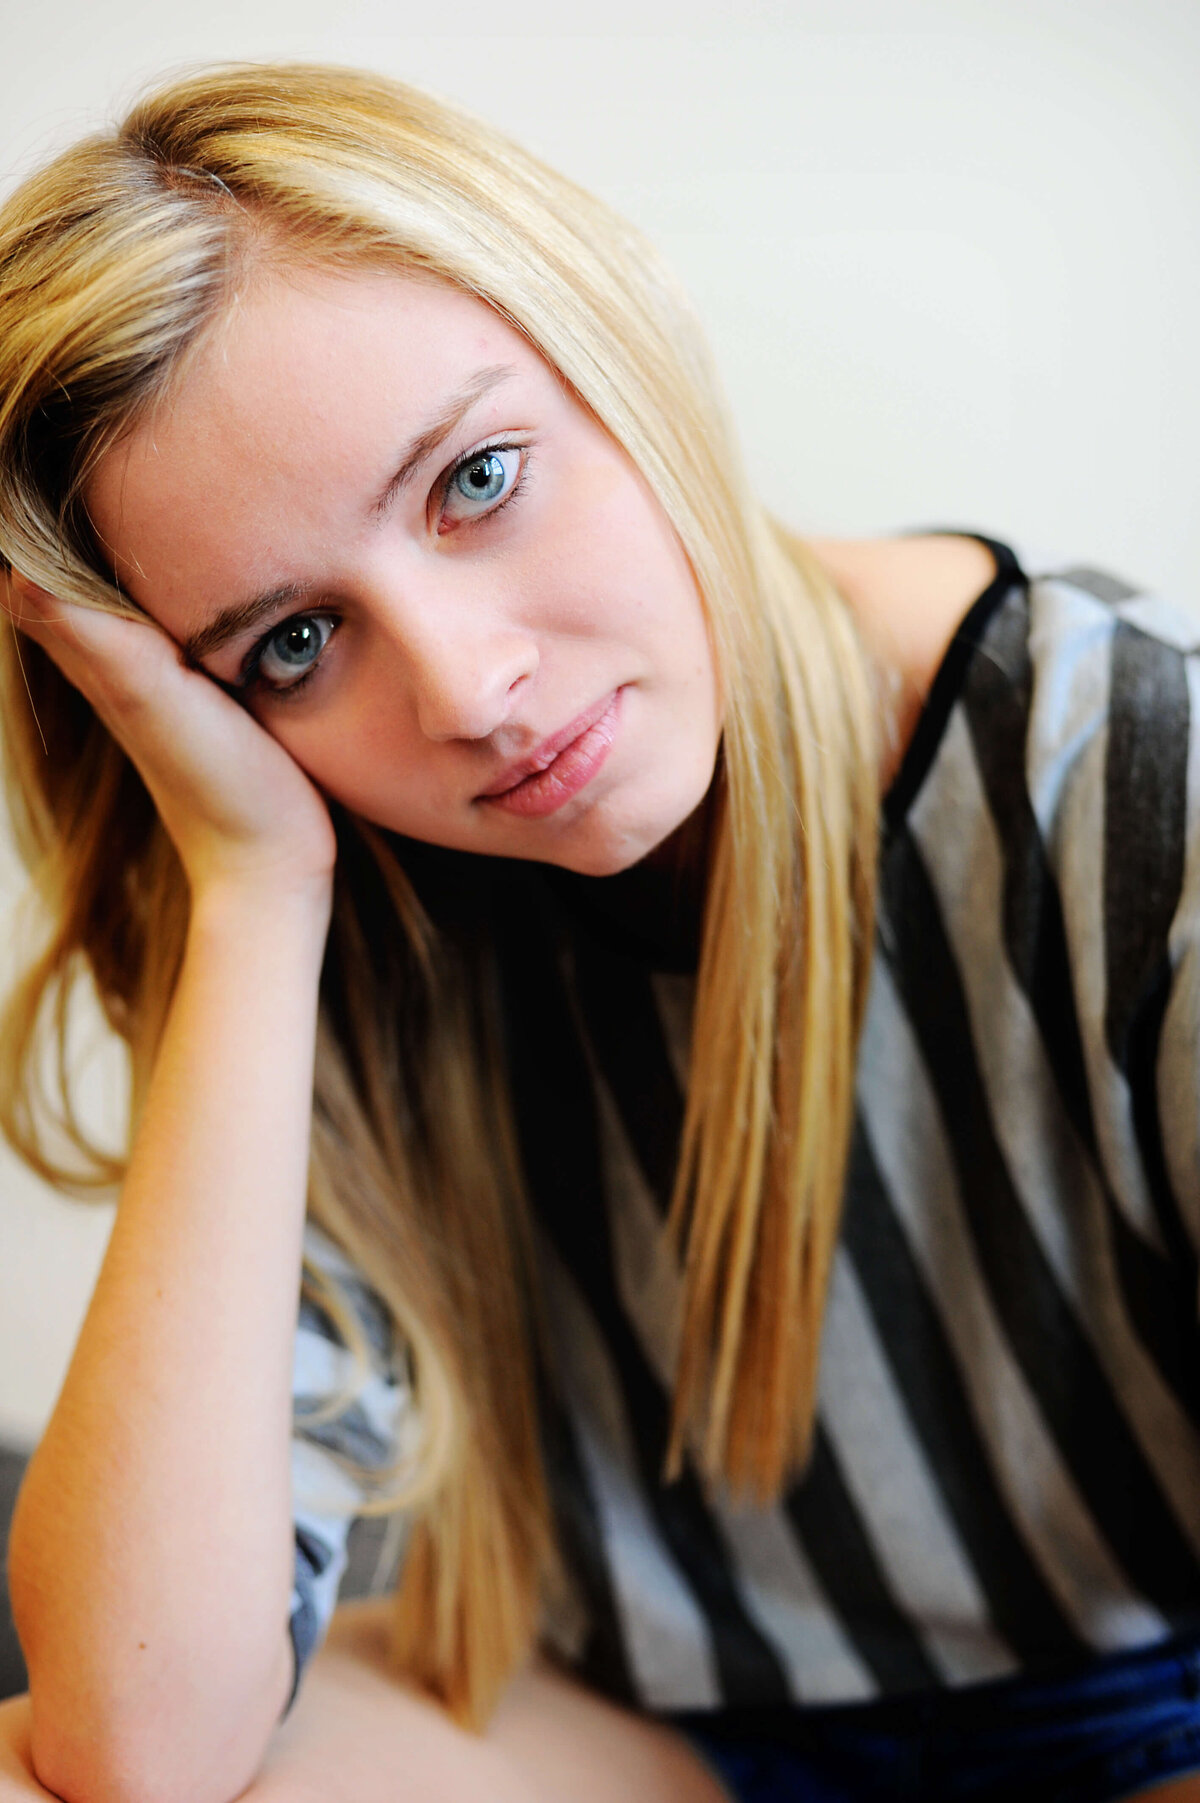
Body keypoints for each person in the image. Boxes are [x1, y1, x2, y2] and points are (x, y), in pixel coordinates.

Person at [0, 59, 1198, 1803]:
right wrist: (257, 897)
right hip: (668, 1743)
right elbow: (136, 1734)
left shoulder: (1121, 775)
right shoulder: (342, 887)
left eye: (478, 478)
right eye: (292, 645)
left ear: (629, 329)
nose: (472, 689)